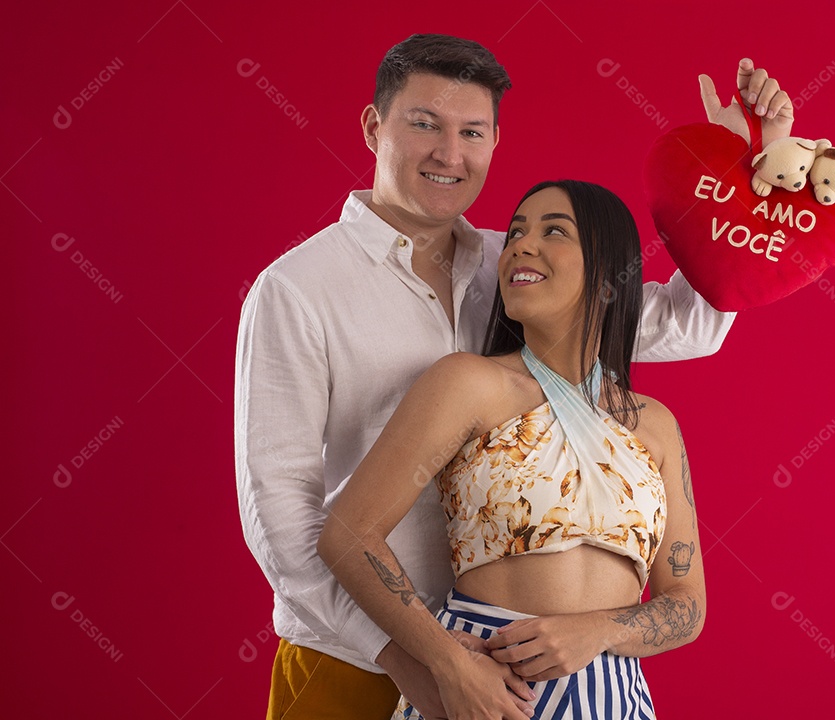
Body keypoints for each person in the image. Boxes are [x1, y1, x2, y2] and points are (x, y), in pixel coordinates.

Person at [235, 34, 793, 720]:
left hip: (531, 669)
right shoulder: (298, 290)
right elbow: (281, 515)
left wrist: (731, 182)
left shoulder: (517, 268)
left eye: (471, 131)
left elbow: (688, 324)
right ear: (374, 127)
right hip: (353, 654)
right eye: (423, 124)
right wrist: (416, 660)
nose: (449, 152)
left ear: (495, 142)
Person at [319, 179, 704, 719]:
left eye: (554, 231)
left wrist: (595, 631)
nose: (521, 244)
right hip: (488, 688)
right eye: (517, 231)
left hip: (614, 695)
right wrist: (447, 663)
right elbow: (348, 533)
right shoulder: (467, 384)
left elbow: (687, 604)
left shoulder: (655, 425)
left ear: (609, 277)